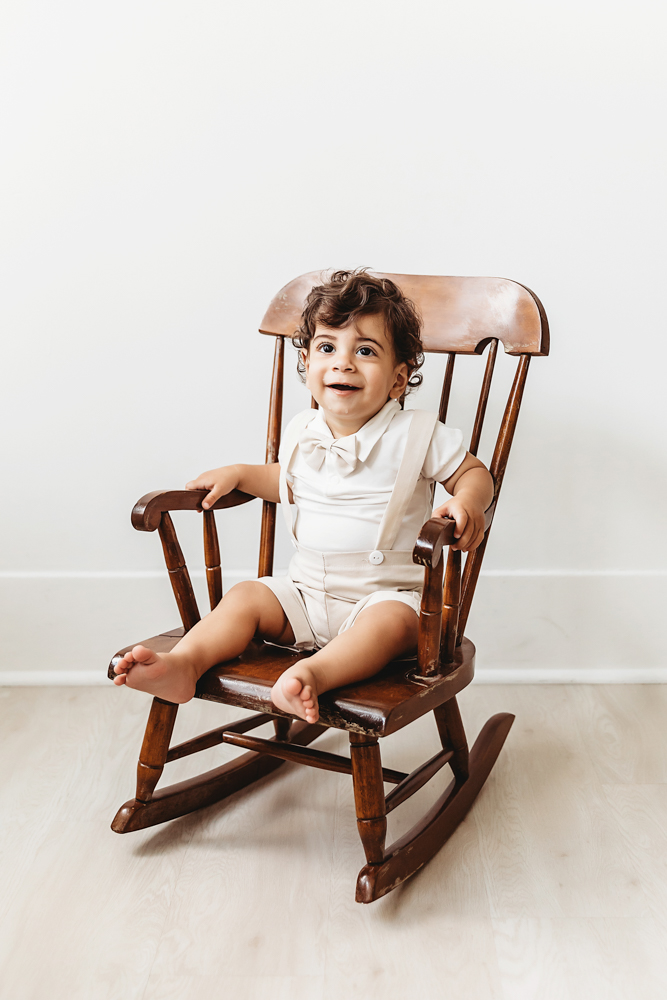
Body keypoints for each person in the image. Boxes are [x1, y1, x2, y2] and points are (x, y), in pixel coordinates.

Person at [113, 270, 494, 723]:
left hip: (385, 596)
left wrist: (467, 501)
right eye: (327, 348)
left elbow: (473, 472)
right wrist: (240, 473)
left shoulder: (417, 434)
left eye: (365, 350)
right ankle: (184, 663)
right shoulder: (303, 431)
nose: (343, 362)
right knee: (246, 596)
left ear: (397, 380)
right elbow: (287, 483)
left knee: (391, 624)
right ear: (308, 364)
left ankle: (310, 674)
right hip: (304, 593)